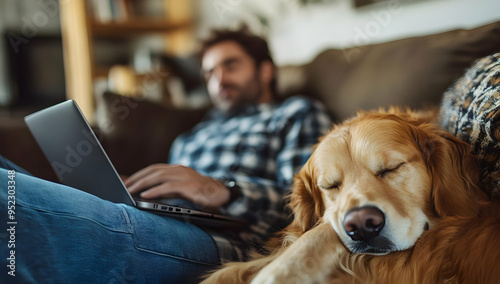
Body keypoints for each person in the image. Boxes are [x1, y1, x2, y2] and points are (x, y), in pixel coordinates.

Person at [0, 27, 331, 283]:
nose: (219, 80)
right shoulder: (192, 135)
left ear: (265, 71)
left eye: (230, 66)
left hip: (224, 240)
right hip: (159, 218)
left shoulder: (296, 113)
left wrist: (221, 190)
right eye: (210, 74)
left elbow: (310, 207)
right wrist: (130, 188)